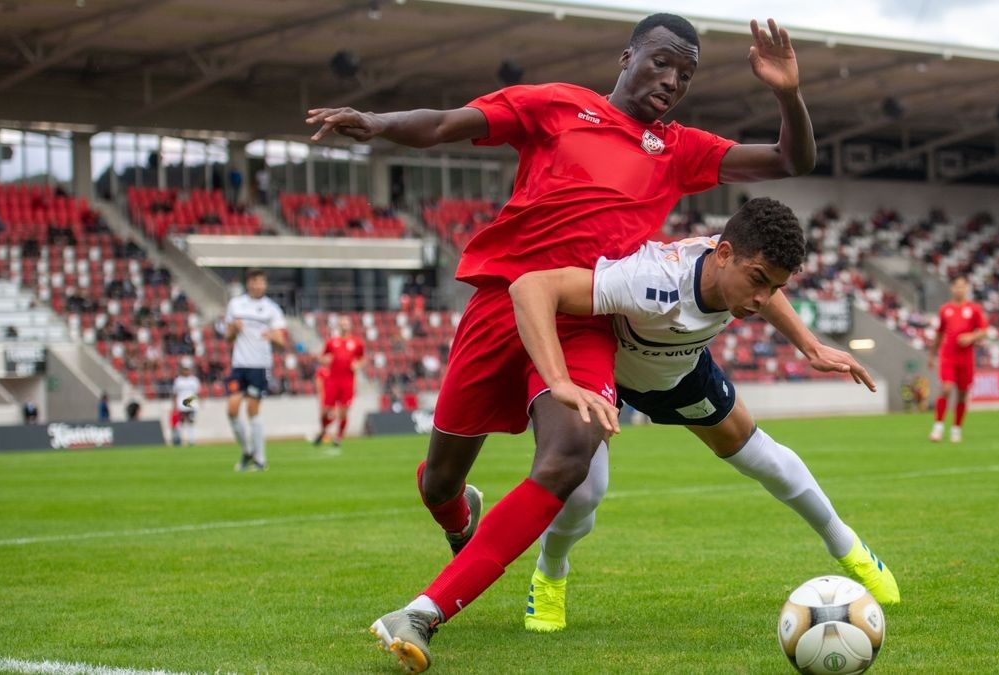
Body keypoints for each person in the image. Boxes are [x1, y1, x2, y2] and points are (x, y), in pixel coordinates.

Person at [309, 14, 816, 672]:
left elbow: (790, 160)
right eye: (661, 62)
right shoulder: (554, 106)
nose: (671, 80)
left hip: (583, 319)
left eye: (685, 74)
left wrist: (787, 92)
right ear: (627, 55)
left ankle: (422, 613)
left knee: (571, 450)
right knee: (439, 483)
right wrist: (376, 124)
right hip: (502, 303)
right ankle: (464, 519)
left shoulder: (679, 149)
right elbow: (441, 124)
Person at [508, 198, 898, 633]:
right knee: (584, 495)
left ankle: (852, 550)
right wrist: (559, 379)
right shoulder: (650, 280)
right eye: (758, 281)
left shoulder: (743, 273)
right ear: (724, 254)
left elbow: (765, 291)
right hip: (609, 376)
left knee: (765, 459)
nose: (762, 298)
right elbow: (530, 288)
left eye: (774, 286)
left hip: (682, 373)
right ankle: (550, 573)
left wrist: (810, 346)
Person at [224, 268, 287, 471]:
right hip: (239, 364)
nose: (258, 285)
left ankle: (260, 459)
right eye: (254, 281)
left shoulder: (272, 309)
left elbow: (281, 343)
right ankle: (247, 451)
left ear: (265, 284)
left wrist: (273, 337)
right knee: (232, 410)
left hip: (259, 366)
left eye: (261, 281)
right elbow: (227, 338)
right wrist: (233, 330)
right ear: (248, 283)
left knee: (253, 411)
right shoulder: (236, 305)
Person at [928, 276, 988, 443]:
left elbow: (984, 330)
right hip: (948, 356)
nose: (959, 290)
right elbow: (940, 334)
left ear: (966, 289)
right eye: (957, 287)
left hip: (966, 358)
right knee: (946, 389)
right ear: (952, 289)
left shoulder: (974, 309)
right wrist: (932, 354)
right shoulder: (945, 309)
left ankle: (956, 429)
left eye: (962, 287)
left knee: (962, 395)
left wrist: (971, 336)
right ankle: (938, 427)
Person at [314, 315, 365, 448]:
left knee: (343, 411)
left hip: (347, 382)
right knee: (324, 411)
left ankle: (338, 437)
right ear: (338, 326)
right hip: (332, 381)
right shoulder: (332, 342)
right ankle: (324, 431)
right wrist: (325, 360)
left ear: (350, 325)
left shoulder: (357, 343)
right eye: (341, 323)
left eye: (346, 323)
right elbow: (321, 357)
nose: (343, 325)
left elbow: (363, 359)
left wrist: (358, 365)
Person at [171, 359, 201, 447]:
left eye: (187, 369)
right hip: (181, 405)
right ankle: (179, 439)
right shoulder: (178, 380)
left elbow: (197, 393)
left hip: (191, 404)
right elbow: (175, 394)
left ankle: (191, 440)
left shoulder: (194, 380)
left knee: (191, 422)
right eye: (185, 369)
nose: (186, 371)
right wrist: (174, 406)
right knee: (180, 422)